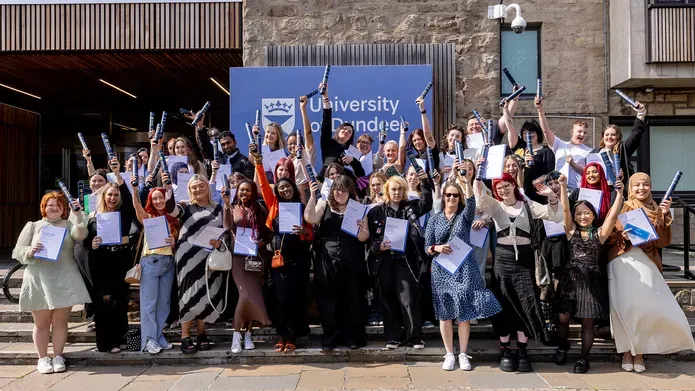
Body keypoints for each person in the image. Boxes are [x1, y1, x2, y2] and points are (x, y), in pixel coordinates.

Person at [606, 172, 695, 372]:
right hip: (623, 261)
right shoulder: (623, 205)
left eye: (645, 185)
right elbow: (608, 235)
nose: (641, 189)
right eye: (636, 185)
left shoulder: (659, 208)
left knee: (645, 307)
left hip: (647, 261)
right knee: (625, 307)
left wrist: (664, 216)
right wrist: (623, 236)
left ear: (650, 186)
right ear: (631, 187)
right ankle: (627, 352)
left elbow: (663, 242)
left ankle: (641, 352)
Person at [474, 173, 562, 372]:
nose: (503, 190)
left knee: (526, 303)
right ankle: (505, 348)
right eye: (499, 188)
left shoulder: (528, 205)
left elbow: (556, 216)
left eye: (506, 185)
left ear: (514, 185)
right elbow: (479, 195)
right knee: (503, 304)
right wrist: (479, 173)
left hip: (525, 260)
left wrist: (552, 197)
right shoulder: (495, 207)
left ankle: (522, 349)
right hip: (503, 260)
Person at [425, 177, 502, 371]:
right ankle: (449, 353)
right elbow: (427, 247)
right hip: (442, 269)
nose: (451, 198)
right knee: (445, 313)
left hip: (464, 267)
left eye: (455, 195)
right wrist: (437, 247)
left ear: (459, 198)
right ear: (443, 197)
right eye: (448, 195)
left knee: (464, 312)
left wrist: (467, 183)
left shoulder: (465, 216)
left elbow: (471, 203)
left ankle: (463, 353)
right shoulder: (434, 219)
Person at [12, 192, 91, 374]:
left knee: (60, 321)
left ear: (64, 209)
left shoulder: (69, 224)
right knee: (41, 322)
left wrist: (78, 214)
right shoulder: (33, 226)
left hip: (64, 277)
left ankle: (58, 356)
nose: (54, 207)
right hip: (39, 278)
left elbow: (81, 235)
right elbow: (18, 251)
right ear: (43, 208)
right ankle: (42, 358)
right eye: (50, 204)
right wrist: (30, 251)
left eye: (58, 205)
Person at [554, 174, 623, 373]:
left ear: (593, 215)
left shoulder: (600, 234)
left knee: (587, 322)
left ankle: (584, 358)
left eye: (586, 213)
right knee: (563, 318)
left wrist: (619, 193)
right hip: (570, 282)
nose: (583, 216)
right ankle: (562, 345)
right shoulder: (570, 231)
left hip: (591, 284)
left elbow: (612, 215)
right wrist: (564, 186)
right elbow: (565, 209)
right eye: (579, 214)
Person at [253, 150, 312, 352]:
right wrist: (259, 163)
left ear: (293, 188)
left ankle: (293, 336)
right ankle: (282, 334)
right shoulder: (274, 205)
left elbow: (311, 234)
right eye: (281, 188)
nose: (285, 190)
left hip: (300, 259)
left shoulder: (302, 207)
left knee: (296, 297)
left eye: (287, 187)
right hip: (280, 259)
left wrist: (304, 231)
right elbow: (262, 185)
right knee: (281, 298)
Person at [164, 173, 228, 354]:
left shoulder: (218, 209)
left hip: (209, 257)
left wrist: (219, 242)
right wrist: (169, 190)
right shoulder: (185, 206)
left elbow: (224, 232)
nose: (198, 189)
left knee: (206, 294)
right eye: (194, 187)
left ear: (208, 187)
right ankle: (185, 336)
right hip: (188, 259)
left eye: (201, 186)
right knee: (187, 294)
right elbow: (171, 210)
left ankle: (201, 333)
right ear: (189, 190)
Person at [366, 173, 432, 350]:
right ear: (387, 190)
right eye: (393, 189)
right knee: (387, 298)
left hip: (405, 260)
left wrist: (424, 182)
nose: (397, 192)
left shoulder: (410, 207)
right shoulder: (375, 212)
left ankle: (414, 337)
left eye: (400, 189)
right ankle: (394, 336)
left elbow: (427, 203)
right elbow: (369, 238)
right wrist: (378, 246)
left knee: (409, 298)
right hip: (384, 261)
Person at [305, 175, 369, 350]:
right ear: (332, 191)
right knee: (328, 300)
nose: (340, 193)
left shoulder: (358, 208)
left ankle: (352, 338)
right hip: (327, 258)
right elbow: (310, 218)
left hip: (352, 258)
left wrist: (360, 227)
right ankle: (330, 338)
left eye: (344, 189)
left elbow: (364, 237)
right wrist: (312, 196)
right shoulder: (324, 204)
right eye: (337, 189)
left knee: (353, 298)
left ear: (350, 191)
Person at [86, 158, 137, 354]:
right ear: (103, 196)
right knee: (104, 300)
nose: (113, 198)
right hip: (101, 262)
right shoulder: (94, 216)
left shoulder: (124, 214)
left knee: (120, 300)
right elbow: (85, 242)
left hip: (121, 259)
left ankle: (120, 338)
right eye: (110, 195)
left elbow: (127, 197)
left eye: (116, 195)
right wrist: (93, 244)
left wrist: (117, 175)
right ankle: (105, 343)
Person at [131, 183, 179, 354]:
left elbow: (178, 242)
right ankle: (148, 340)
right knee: (149, 303)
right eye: (155, 198)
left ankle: (158, 336)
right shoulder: (148, 216)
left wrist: (175, 243)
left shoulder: (174, 218)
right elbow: (136, 206)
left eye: (161, 197)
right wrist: (135, 191)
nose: (158, 201)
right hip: (151, 261)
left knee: (164, 304)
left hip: (169, 261)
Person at [227, 178, 273, 353]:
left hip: (256, 258)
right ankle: (236, 334)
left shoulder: (260, 210)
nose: (244, 193)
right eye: (241, 190)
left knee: (253, 295)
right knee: (244, 294)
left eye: (247, 190)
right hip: (238, 258)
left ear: (253, 192)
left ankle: (248, 334)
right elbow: (226, 226)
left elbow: (269, 233)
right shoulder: (232, 209)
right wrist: (225, 205)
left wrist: (262, 242)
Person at [503, 104, 555, 203]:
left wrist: (537, 181)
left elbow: (550, 173)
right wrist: (505, 110)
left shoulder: (546, 151)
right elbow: (510, 128)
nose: (528, 135)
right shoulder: (519, 146)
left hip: (534, 193)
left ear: (537, 133)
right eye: (525, 133)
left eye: (531, 132)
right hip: (515, 189)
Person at [536, 97, 591, 190]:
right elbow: (546, 131)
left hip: (576, 190)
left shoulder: (589, 151)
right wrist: (540, 110)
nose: (582, 134)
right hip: (558, 188)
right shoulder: (560, 144)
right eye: (579, 131)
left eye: (585, 133)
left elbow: (588, 173)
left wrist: (573, 164)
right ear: (572, 132)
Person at [590, 102, 647, 181]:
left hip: (615, 189)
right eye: (607, 135)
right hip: (598, 189)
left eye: (613, 135)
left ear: (618, 137)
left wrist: (641, 113)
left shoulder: (622, 150)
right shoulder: (594, 152)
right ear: (603, 137)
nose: (609, 137)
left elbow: (635, 135)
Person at [318, 82, 365, 178]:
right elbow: (326, 122)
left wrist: (352, 160)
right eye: (344, 129)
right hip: (327, 182)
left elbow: (361, 174)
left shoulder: (352, 152)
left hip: (345, 185)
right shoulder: (328, 143)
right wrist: (325, 97)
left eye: (350, 132)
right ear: (338, 131)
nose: (346, 132)